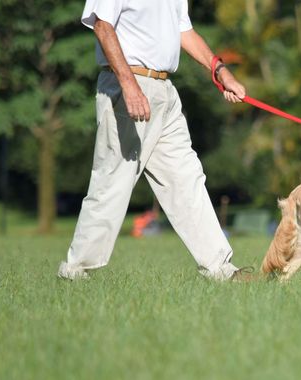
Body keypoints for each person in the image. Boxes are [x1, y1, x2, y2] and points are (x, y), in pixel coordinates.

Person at [58, 0, 252, 280]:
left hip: (164, 91)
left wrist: (221, 72)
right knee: (112, 180)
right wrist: (128, 85)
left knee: (186, 178)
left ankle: (220, 268)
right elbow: (102, 26)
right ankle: (76, 270)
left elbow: (184, 31)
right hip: (129, 85)